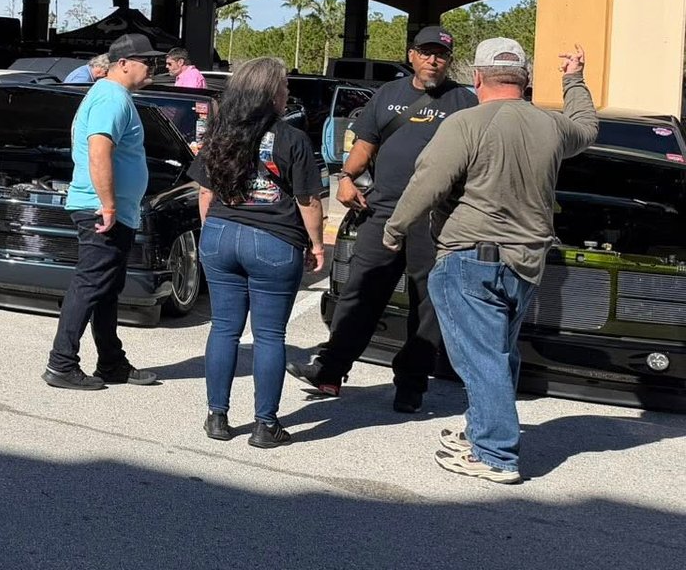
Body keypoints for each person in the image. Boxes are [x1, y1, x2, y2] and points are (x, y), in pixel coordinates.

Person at [385, 40, 596, 485]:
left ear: (477, 78)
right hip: (527, 262)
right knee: (498, 354)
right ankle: (484, 430)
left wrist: (396, 227)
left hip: (469, 258)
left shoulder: (465, 123)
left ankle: (495, 454)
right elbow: (587, 127)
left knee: (482, 359)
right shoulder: (552, 126)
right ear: (525, 80)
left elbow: (430, 181)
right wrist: (574, 78)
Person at [291, 25, 478, 412]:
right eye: (426, 52)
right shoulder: (388, 95)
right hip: (383, 211)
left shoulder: (463, 101)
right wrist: (345, 178)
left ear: (449, 60)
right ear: (412, 55)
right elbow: (365, 144)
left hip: (436, 218)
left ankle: (411, 383)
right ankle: (329, 370)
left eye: (440, 54)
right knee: (360, 290)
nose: (433, 60)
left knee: (428, 303)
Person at [189, 58, 326, 447]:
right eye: (284, 86)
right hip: (273, 240)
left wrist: (209, 233)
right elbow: (308, 199)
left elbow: (204, 191)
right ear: (270, 92)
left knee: (224, 328)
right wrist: (316, 244)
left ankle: (217, 416)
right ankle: (265, 425)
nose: (287, 93)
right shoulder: (291, 138)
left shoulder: (220, 132)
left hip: (219, 233)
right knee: (269, 335)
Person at [43, 32, 166, 390]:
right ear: (123, 64)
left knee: (106, 288)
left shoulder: (108, 95)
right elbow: (99, 151)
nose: (153, 68)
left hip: (109, 209)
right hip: (101, 210)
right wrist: (109, 204)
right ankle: (61, 364)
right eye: (148, 62)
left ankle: (112, 364)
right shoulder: (112, 98)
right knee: (90, 284)